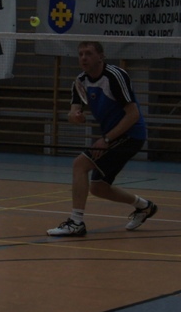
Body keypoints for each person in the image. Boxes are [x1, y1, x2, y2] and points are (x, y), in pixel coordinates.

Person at [47, 40, 157, 237]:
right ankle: (145, 206)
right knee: (98, 188)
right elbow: (73, 112)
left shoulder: (115, 76)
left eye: (88, 53)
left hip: (130, 134)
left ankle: (76, 222)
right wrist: (75, 117)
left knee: (80, 164)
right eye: (81, 54)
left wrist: (106, 140)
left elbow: (133, 115)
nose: (83, 58)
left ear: (101, 56)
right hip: (111, 136)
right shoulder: (80, 81)